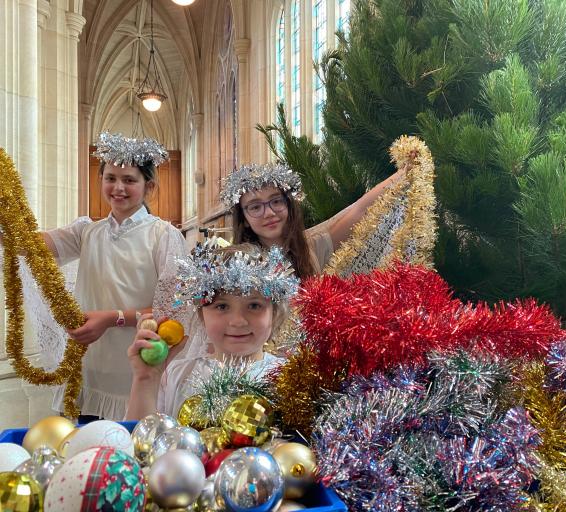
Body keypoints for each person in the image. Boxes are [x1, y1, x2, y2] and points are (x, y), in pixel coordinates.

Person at [40, 132, 188, 421]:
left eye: (130, 180)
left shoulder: (163, 235)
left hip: (134, 373)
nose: (118, 187)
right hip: (89, 370)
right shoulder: (87, 231)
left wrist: (113, 317)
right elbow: (35, 244)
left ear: (149, 186)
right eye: (110, 178)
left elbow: (175, 311)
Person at [125, 241, 297, 419]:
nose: (238, 321)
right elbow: (139, 440)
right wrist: (145, 379)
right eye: (222, 306)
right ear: (201, 315)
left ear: (274, 313)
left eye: (254, 305)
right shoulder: (177, 376)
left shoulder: (291, 377)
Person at [221, 163, 405, 277]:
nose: (269, 213)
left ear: (288, 205)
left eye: (276, 201)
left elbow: (359, 211)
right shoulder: (238, 264)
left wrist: (403, 174)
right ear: (243, 218)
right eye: (255, 207)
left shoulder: (311, 249)